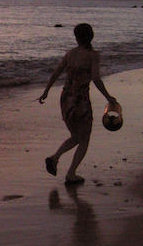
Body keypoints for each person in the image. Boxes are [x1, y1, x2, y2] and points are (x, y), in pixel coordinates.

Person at [38, 23, 116, 185]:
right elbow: (95, 78)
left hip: (66, 98)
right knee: (84, 138)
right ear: (91, 36)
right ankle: (71, 173)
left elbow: (56, 73)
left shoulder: (70, 54)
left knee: (75, 136)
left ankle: (54, 158)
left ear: (76, 37)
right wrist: (108, 97)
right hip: (80, 100)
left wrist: (46, 91)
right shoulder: (93, 55)